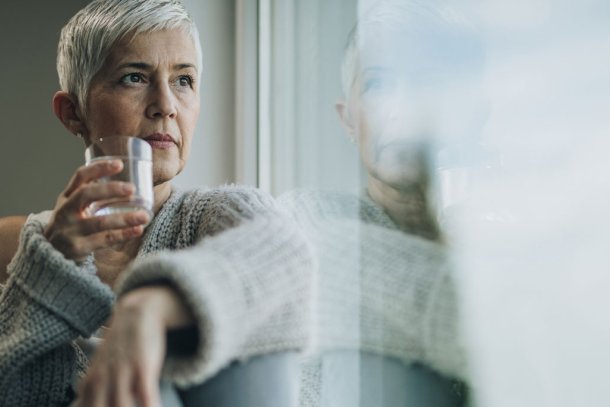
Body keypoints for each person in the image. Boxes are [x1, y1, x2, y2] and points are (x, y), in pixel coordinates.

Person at [0, 1, 313, 406]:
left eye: (184, 80)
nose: (166, 105)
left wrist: (150, 307)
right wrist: (51, 265)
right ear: (72, 112)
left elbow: (285, 254)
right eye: (134, 77)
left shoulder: (221, 216)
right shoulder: (14, 249)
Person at [278, 0, 487, 405]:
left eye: (428, 82)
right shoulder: (311, 219)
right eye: (378, 84)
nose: (402, 107)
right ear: (349, 121)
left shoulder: (487, 237)